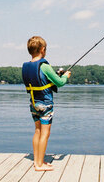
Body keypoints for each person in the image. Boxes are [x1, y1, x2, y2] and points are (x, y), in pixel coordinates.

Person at [21, 36, 71, 172]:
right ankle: (39, 164)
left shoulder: (26, 67)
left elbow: (41, 81)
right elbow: (60, 83)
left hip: (33, 103)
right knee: (45, 133)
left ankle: (38, 161)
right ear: (43, 50)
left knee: (37, 131)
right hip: (45, 105)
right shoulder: (45, 66)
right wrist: (66, 76)